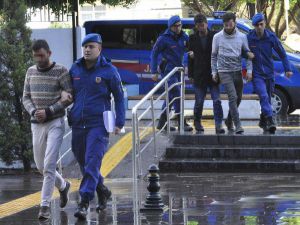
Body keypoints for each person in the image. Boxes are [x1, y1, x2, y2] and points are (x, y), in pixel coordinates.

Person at [69, 33, 125, 220]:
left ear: (99, 49)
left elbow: (119, 97)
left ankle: (84, 202)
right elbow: (67, 92)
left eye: (91, 46)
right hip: (78, 123)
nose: (87, 49)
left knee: (92, 161)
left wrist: (120, 122)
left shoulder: (109, 70)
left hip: (98, 125)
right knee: (85, 164)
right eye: (85, 46)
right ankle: (103, 190)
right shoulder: (75, 69)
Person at [22, 39, 73, 220]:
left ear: (49, 53)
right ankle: (63, 186)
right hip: (36, 123)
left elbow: (69, 96)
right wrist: (34, 111)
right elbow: (25, 97)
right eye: (36, 56)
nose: (39, 59)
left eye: (42, 55)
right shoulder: (30, 71)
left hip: (55, 123)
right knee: (41, 166)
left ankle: (44, 206)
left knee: (49, 164)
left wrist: (50, 111)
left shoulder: (61, 71)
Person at [248, 13, 293, 133]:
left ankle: (263, 120)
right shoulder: (249, 37)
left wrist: (287, 69)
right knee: (263, 95)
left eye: (261, 24)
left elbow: (282, 54)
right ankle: (270, 120)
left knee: (267, 98)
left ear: (265, 23)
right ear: (254, 26)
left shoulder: (271, 37)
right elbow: (242, 51)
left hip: (269, 74)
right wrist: (247, 54)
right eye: (256, 25)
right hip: (257, 74)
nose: (259, 27)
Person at [211, 12, 254, 134]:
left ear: (235, 23)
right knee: (233, 96)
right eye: (226, 25)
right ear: (223, 25)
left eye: (230, 25)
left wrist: (249, 71)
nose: (228, 27)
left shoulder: (242, 37)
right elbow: (213, 56)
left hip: (237, 71)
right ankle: (238, 124)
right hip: (224, 72)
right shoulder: (217, 37)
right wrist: (214, 72)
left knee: (238, 98)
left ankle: (229, 119)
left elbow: (248, 54)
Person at [151, 15, 193, 132]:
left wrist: (191, 53)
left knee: (170, 97)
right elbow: (154, 54)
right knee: (177, 93)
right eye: (176, 26)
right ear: (170, 27)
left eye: (180, 25)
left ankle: (162, 123)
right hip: (168, 71)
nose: (178, 28)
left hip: (179, 70)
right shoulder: (163, 39)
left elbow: (189, 49)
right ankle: (181, 123)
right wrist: (153, 71)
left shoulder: (184, 36)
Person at [188, 14, 224, 134]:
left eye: (202, 25)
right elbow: (190, 58)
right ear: (196, 26)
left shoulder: (215, 36)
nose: (201, 28)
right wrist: (190, 75)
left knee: (217, 100)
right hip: (199, 74)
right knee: (199, 101)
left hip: (213, 74)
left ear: (206, 24)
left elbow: (220, 54)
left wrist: (220, 72)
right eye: (198, 26)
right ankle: (197, 122)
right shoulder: (192, 38)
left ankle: (219, 123)